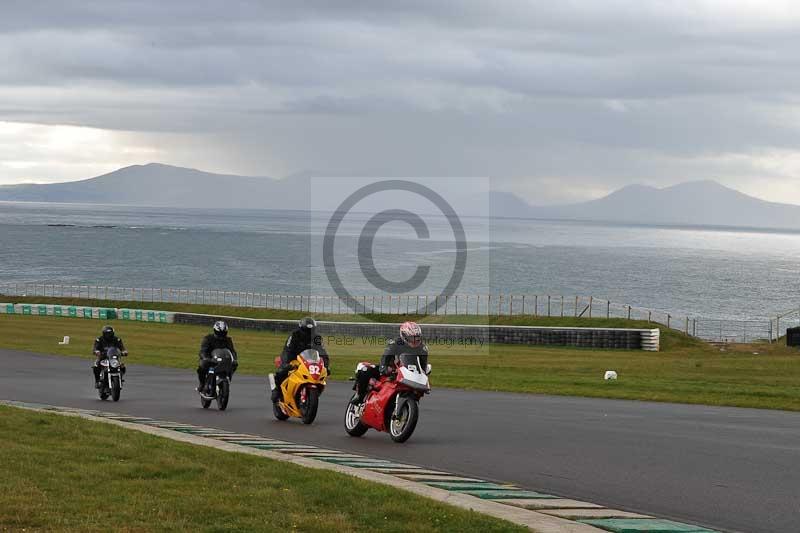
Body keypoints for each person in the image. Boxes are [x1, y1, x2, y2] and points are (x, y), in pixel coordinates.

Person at [351, 321, 428, 405]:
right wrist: (384, 367)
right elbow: (385, 357)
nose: (415, 340)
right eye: (412, 338)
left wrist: (424, 373)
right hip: (391, 371)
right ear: (404, 336)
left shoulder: (422, 348)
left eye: (417, 337)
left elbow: (422, 366)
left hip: (408, 376)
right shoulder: (395, 343)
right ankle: (359, 395)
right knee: (365, 370)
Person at [271, 317, 330, 403]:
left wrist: (326, 366)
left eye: (311, 330)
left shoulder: (317, 338)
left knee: (320, 375)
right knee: (283, 371)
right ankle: (276, 390)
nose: (308, 333)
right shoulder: (294, 335)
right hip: (294, 357)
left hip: (309, 359)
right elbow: (288, 350)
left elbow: (322, 352)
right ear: (301, 329)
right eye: (306, 330)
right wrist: (287, 363)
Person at [197, 321, 238, 393]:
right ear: (215, 331)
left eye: (223, 333)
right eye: (220, 333)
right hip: (211, 360)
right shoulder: (208, 338)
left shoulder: (228, 340)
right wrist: (205, 357)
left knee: (234, 364)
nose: (221, 335)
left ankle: (228, 377)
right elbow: (203, 350)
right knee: (201, 366)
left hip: (223, 361)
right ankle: (202, 384)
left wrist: (234, 359)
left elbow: (232, 351)